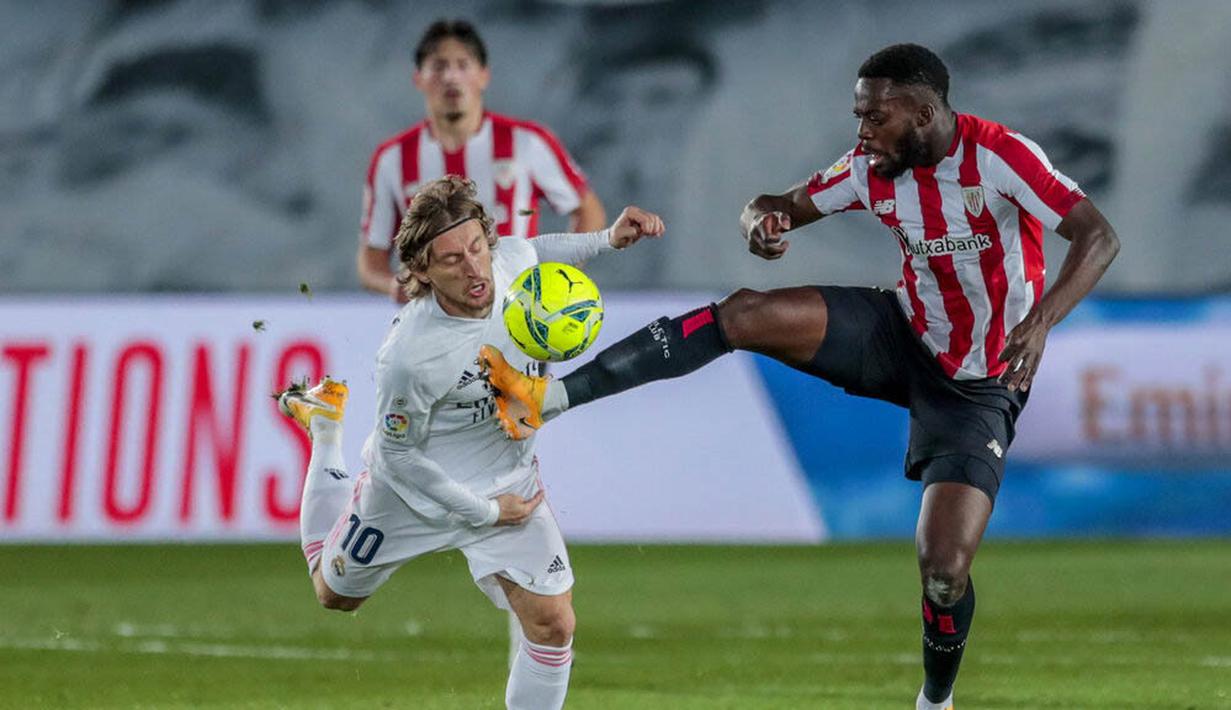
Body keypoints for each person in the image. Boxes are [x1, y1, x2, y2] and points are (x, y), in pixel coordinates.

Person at [478, 44, 1119, 710]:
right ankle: (553, 397)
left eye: (875, 117)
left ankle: (935, 700)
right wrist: (760, 225)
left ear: (924, 113)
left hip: (982, 381)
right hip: (901, 332)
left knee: (943, 571)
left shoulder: (1000, 157)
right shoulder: (870, 169)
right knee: (744, 313)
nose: (861, 131)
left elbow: (1096, 236)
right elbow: (771, 204)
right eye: (858, 115)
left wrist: (1041, 321)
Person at [279, 176, 662, 710]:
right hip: (411, 495)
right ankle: (325, 429)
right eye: (452, 259)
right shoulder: (410, 356)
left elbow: (535, 250)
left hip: (509, 482)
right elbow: (396, 455)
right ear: (422, 271)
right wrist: (485, 512)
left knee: (553, 624)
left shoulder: (506, 265)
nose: (474, 268)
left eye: (478, 247)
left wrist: (605, 239)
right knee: (333, 594)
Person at [358, 19, 607, 303]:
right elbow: (371, 259)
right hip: (433, 317)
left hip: (514, 312)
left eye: (463, 65)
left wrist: (557, 279)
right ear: (419, 79)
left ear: (484, 76)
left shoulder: (527, 143)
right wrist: (394, 285)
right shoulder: (392, 159)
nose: (451, 77)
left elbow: (589, 211)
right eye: (438, 66)